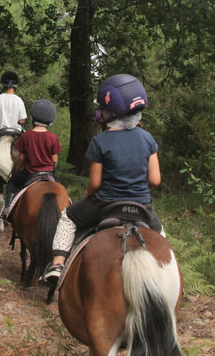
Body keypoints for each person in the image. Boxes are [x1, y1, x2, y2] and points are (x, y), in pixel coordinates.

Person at [42, 74, 164, 284]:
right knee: (160, 236)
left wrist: (88, 194)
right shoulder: (148, 139)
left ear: (112, 111)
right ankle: (169, 278)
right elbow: (155, 180)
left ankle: (58, 264)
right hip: (142, 205)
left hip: (105, 204)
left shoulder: (100, 141)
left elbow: (95, 184)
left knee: (68, 218)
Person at [4, 99, 62, 215]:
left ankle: (7, 209)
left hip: (30, 172)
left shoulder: (26, 136)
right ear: (51, 120)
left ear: (33, 117)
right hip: (49, 173)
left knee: (11, 182)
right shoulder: (53, 137)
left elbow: (21, 158)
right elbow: (54, 160)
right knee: (60, 190)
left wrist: (19, 168)